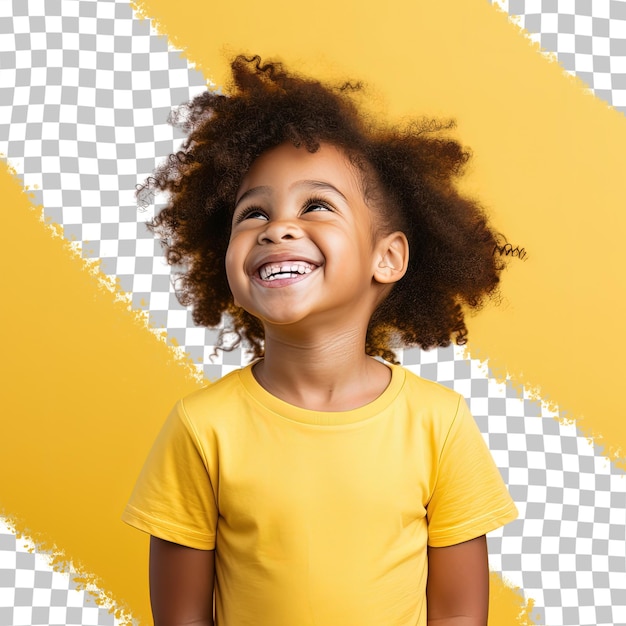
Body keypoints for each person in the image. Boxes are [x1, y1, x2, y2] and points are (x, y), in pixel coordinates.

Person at [122, 54, 518, 626]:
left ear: (387, 258)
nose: (277, 228)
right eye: (252, 214)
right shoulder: (201, 428)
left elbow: (458, 613)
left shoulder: (441, 425)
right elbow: (181, 617)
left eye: (316, 205)